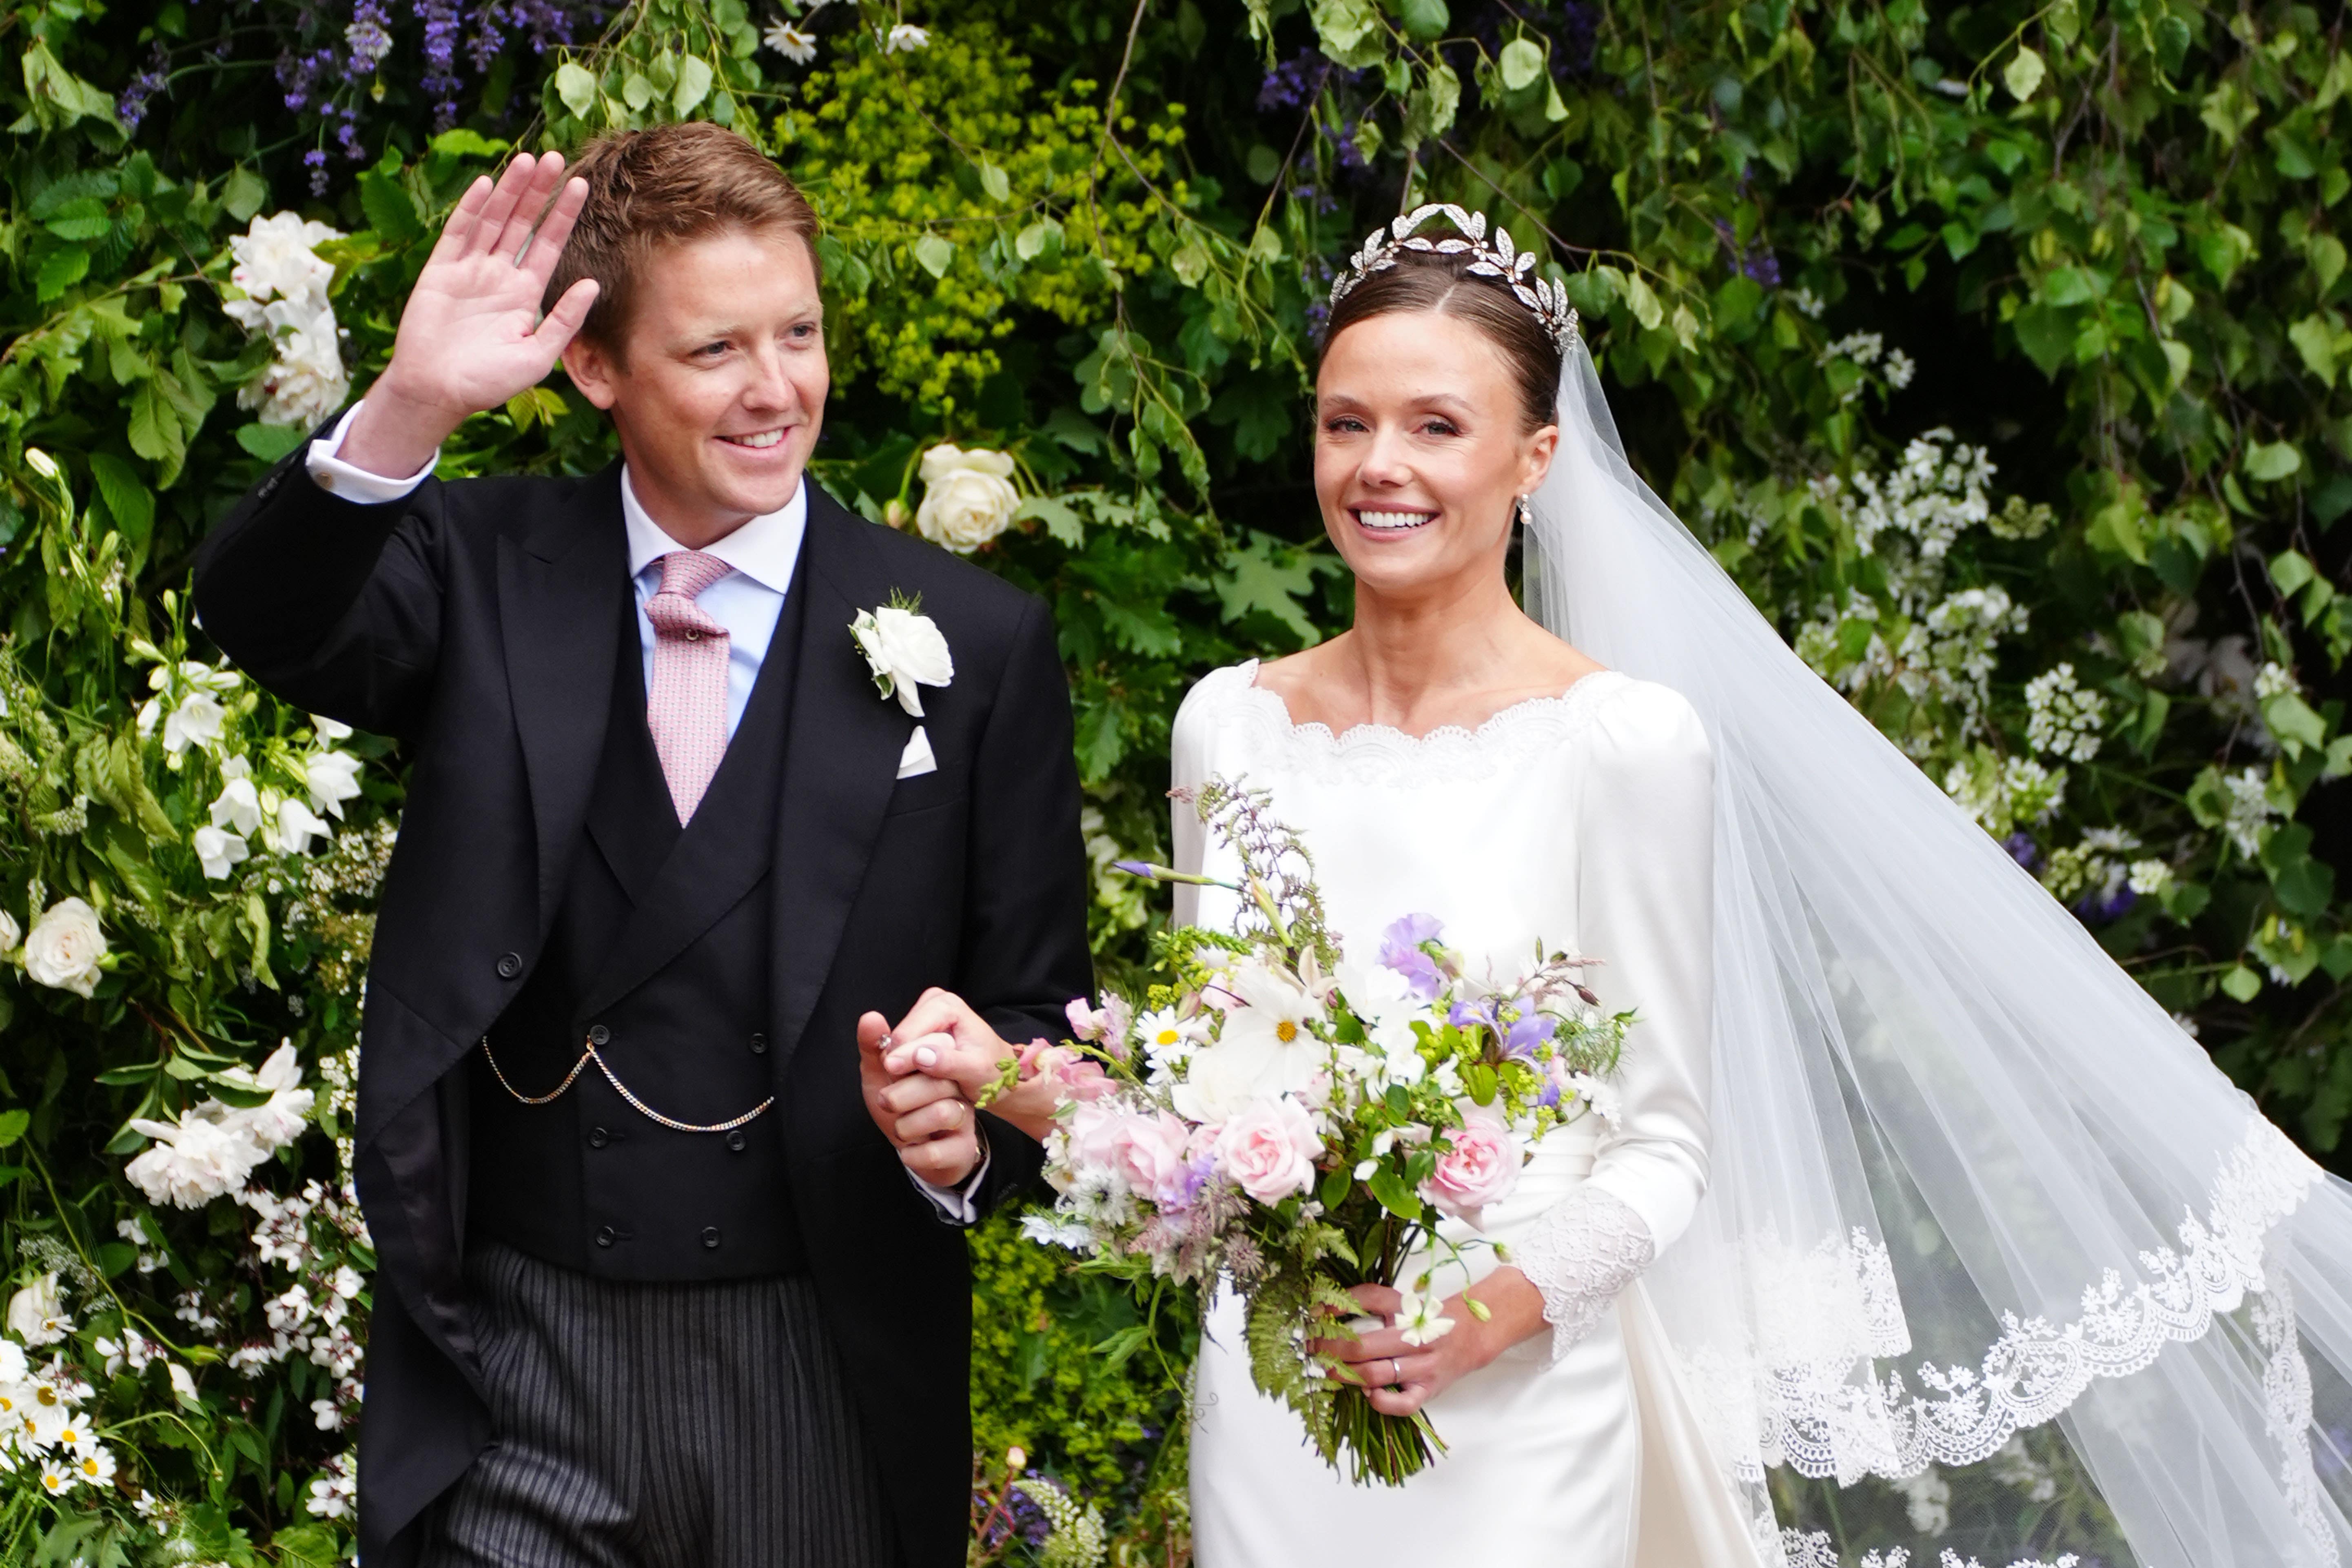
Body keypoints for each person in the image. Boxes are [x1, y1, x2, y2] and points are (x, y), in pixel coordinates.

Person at [891, 206, 2352, 1567]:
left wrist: (1482, 1315)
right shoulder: (1230, 722)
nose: (1377, 465)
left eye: (1435, 426)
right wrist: (1014, 1073)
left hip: (1520, 1413)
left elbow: (1662, 1149)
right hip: (1279, 1402)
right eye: (1348, 423)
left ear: (1534, 462)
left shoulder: (1623, 743)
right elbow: (1210, 1114)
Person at [192, 123, 1092, 1568]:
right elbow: (262, 616)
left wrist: (962, 1141)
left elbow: (1042, 1015)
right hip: (523, 1361)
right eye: (715, 349)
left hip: (823, 1363)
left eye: (797, 331)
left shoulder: (976, 645)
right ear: (597, 368)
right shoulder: (478, 566)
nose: (775, 389)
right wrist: (409, 409)